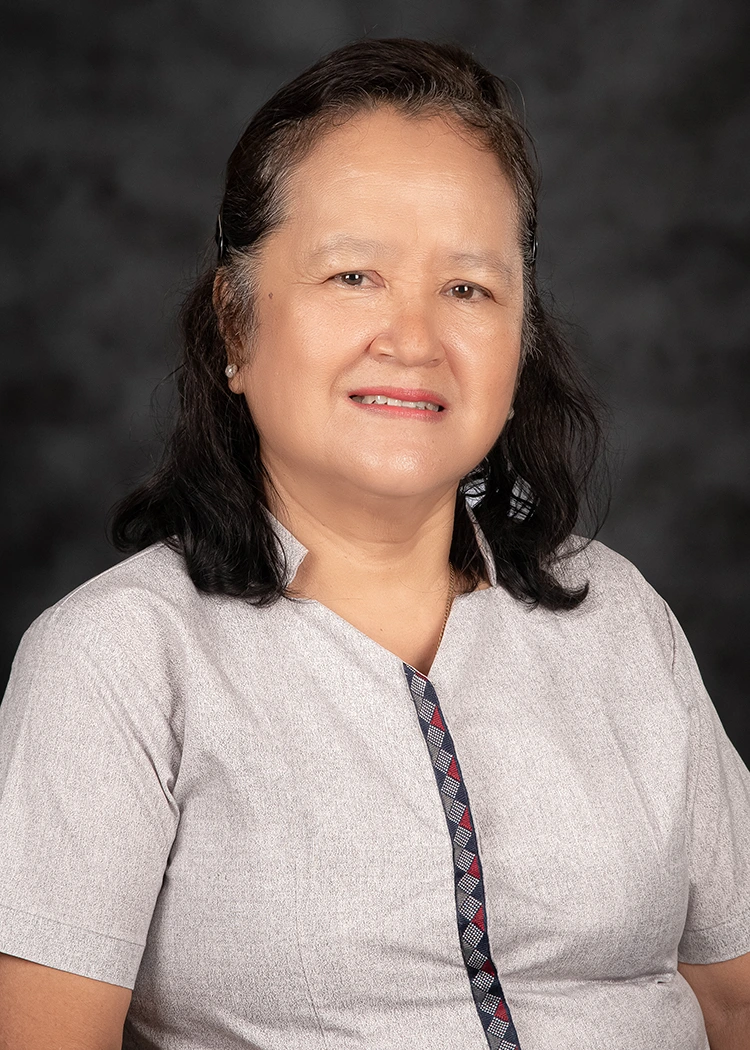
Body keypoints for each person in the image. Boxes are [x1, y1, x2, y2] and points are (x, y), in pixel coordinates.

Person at [0, 36, 748, 1050]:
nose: (413, 337)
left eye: (469, 289)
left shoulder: (620, 619)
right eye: (354, 275)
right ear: (233, 325)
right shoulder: (118, 662)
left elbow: (734, 997)